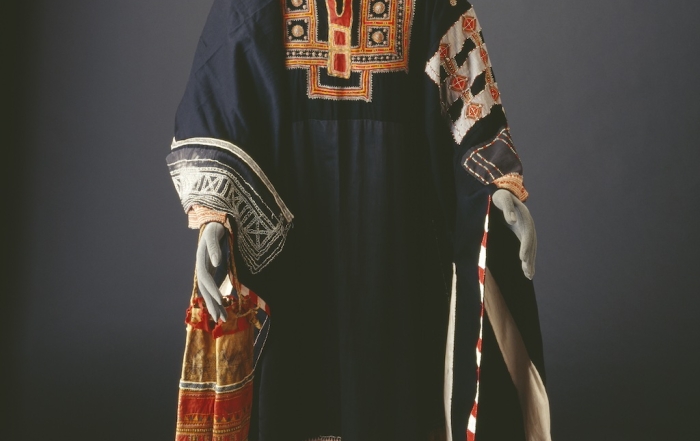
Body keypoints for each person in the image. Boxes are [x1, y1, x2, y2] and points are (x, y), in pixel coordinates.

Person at [166, 0, 551, 440]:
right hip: (294, 237)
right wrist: (214, 215)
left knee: (397, 386)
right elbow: (218, 100)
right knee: (294, 386)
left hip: (397, 237)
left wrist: (497, 186)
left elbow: (469, 105)